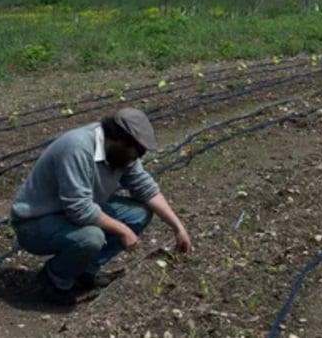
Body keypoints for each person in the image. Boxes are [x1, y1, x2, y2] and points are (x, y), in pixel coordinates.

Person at [10, 107, 193, 305]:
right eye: (135, 152)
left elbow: (145, 187)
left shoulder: (121, 152)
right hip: (36, 223)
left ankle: (84, 272)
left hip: (71, 212)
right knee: (91, 237)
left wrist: (178, 227)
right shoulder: (77, 148)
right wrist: (122, 230)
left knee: (138, 213)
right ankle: (54, 281)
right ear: (118, 139)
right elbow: (79, 208)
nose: (136, 159)